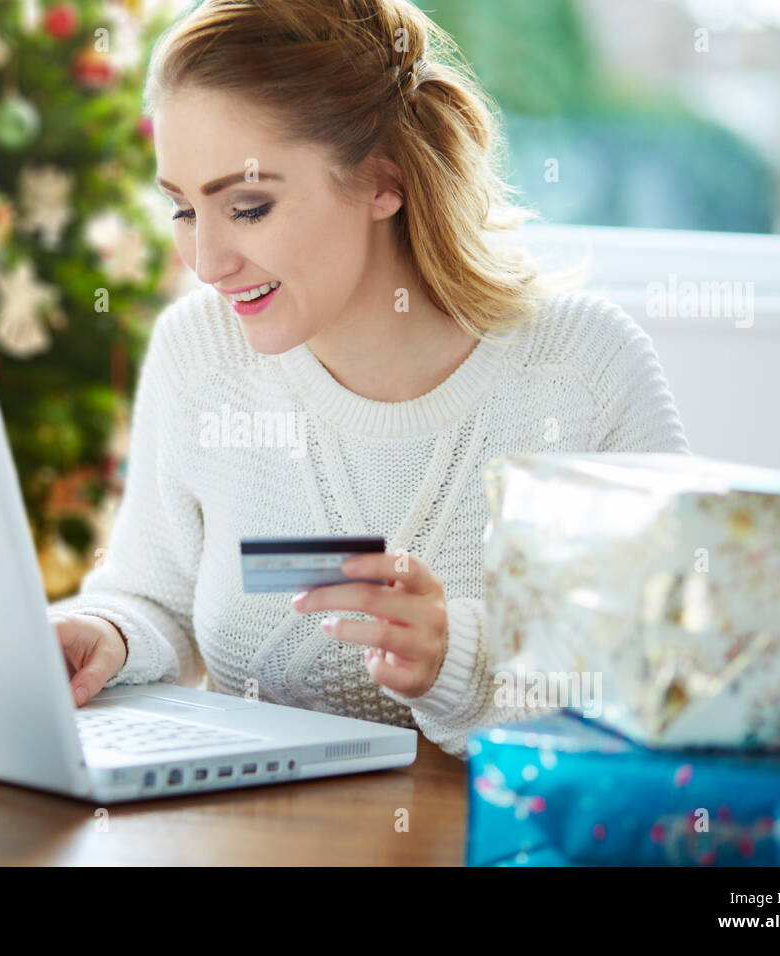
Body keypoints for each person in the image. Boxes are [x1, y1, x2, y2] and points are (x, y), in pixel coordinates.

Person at [48, 0, 689, 759]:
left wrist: (456, 658)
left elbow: (671, 663)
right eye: (184, 209)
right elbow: (156, 598)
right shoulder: (199, 354)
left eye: (248, 207)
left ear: (382, 181)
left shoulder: (585, 367)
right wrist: (107, 633)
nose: (206, 260)